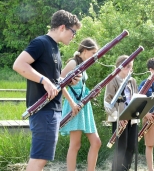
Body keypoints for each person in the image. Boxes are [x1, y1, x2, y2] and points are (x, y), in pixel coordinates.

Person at [12, 10, 82, 171]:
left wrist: (67, 82)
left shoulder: (55, 48)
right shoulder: (41, 43)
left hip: (51, 110)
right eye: (73, 32)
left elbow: (54, 81)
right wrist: (44, 81)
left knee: (41, 159)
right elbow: (19, 65)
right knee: (39, 159)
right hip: (44, 111)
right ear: (63, 27)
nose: (74, 36)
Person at [60, 38, 102, 171]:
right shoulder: (73, 63)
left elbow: (80, 85)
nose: (95, 56)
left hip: (84, 104)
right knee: (75, 144)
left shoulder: (84, 64)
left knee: (96, 143)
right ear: (84, 51)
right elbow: (59, 83)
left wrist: (92, 94)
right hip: (74, 104)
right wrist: (72, 103)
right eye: (93, 52)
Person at [104, 55, 138, 171]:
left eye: (131, 67)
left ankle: (125, 169)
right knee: (121, 148)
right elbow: (107, 103)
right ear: (119, 66)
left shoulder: (132, 81)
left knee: (131, 147)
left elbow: (135, 98)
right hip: (119, 119)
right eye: (127, 66)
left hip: (132, 118)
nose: (130, 69)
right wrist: (118, 117)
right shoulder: (112, 80)